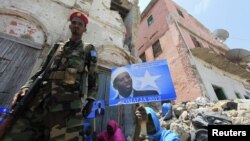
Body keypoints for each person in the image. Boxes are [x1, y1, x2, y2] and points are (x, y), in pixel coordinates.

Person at [3, 11, 98, 141]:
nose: (76, 25)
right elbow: (42, 70)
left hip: (68, 106)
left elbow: (93, 77)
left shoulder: (89, 49)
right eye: (74, 23)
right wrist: (26, 86)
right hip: (40, 100)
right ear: (70, 26)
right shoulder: (58, 47)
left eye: (80, 24)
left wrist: (91, 100)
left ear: (84, 29)